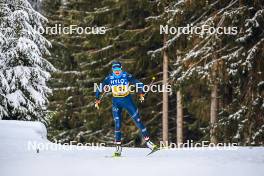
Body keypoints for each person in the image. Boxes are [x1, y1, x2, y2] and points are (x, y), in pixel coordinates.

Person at [95, 61, 157, 156]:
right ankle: (118, 149)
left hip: (127, 101)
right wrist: (97, 98)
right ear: (112, 70)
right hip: (116, 102)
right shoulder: (109, 78)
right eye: (115, 70)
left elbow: (138, 83)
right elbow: (100, 87)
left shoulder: (126, 75)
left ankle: (150, 144)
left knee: (138, 120)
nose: (117, 71)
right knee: (118, 124)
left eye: (118, 69)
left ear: (121, 69)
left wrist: (141, 92)